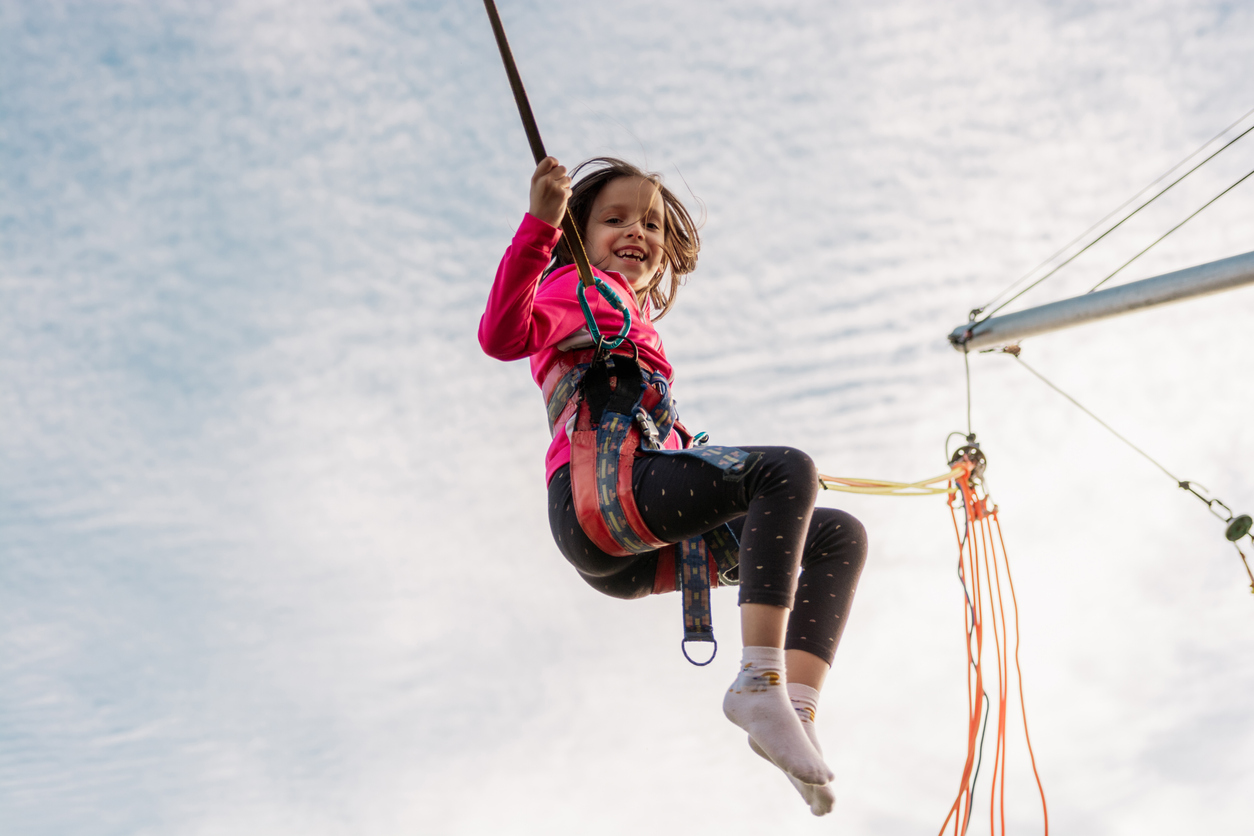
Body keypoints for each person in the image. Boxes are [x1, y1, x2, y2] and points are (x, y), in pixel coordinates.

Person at [479, 156, 867, 816]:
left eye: (652, 224)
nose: (637, 230)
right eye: (615, 218)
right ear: (579, 237)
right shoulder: (576, 286)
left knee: (836, 536)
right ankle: (759, 680)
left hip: (633, 546)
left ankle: (794, 712)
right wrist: (541, 225)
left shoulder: (628, 319)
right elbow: (501, 334)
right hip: (600, 500)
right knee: (784, 470)